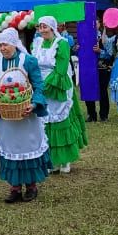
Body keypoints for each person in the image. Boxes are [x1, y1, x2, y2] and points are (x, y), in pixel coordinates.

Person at [0, 27, 50, 203]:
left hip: (26, 115)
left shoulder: (28, 61)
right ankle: (14, 187)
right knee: (10, 148)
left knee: (27, 147)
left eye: (6, 44)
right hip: (7, 117)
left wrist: (34, 103)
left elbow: (38, 85)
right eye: (0, 45)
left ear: (15, 43)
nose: (2, 48)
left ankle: (31, 186)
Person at [34, 16, 89, 174]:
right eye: (40, 27)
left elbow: (61, 66)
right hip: (42, 87)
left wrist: (47, 85)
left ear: (52, 28)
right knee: (46, 123)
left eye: (45, 27)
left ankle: (65, 160)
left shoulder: (62, 43)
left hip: (57, 86)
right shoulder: (37, 43)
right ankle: (51, 159)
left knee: (60, 122)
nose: (42, 30)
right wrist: (36, 84)